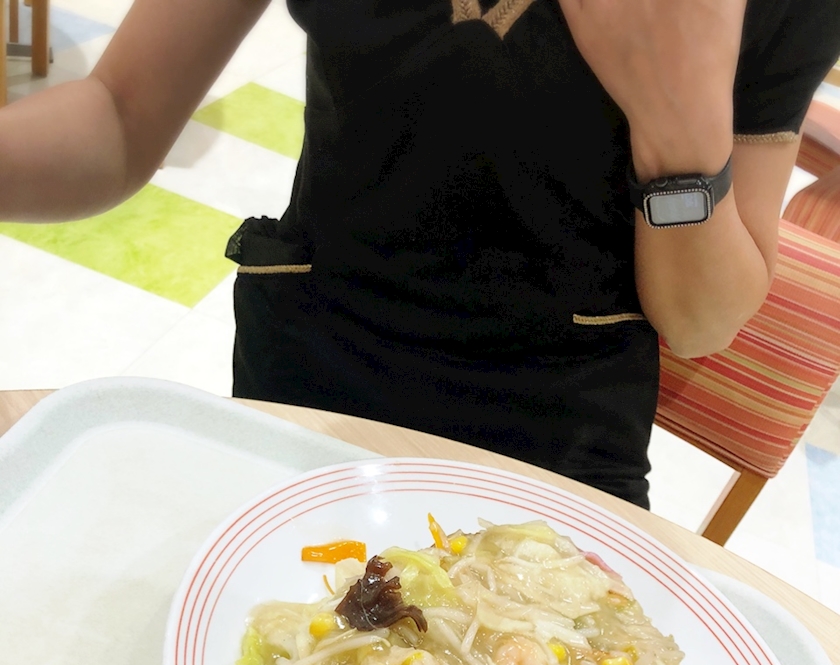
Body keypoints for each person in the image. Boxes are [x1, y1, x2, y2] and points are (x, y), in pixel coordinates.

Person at [2, 0, 839, 506]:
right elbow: (118, 116)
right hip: (303, 405)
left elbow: (701, 320)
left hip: (560, 463)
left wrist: (680, 133)